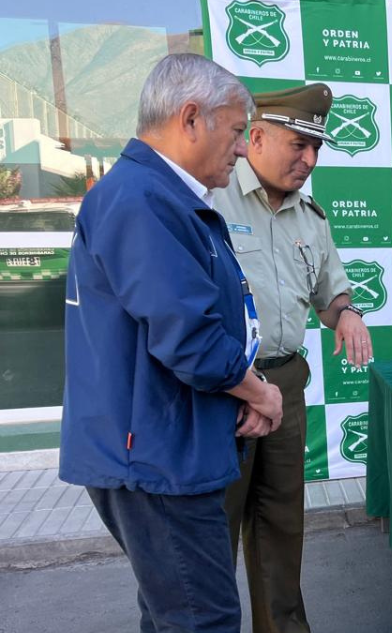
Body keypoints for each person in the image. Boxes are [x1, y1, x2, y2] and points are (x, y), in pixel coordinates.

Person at [60, 53, 283, 632]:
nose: (242, 149)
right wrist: (259, 392)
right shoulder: (142, 199)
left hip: (165, 446)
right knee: (200, 619)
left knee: (173, 614)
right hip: (157, 456)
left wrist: (243, 387)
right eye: (236, 131)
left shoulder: (158, 196)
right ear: (190, 119)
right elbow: (190, 337)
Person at [211, 83, 368, 633]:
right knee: (213, 529)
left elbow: (330, 295)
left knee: (280, 527)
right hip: (222, 392)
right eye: (298, 144)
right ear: (255, 137)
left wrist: (348, 314)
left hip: (285, 387)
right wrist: (242, 387)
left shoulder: (311, 218)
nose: (310, 159)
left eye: (316, 148)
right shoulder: (212, 199)